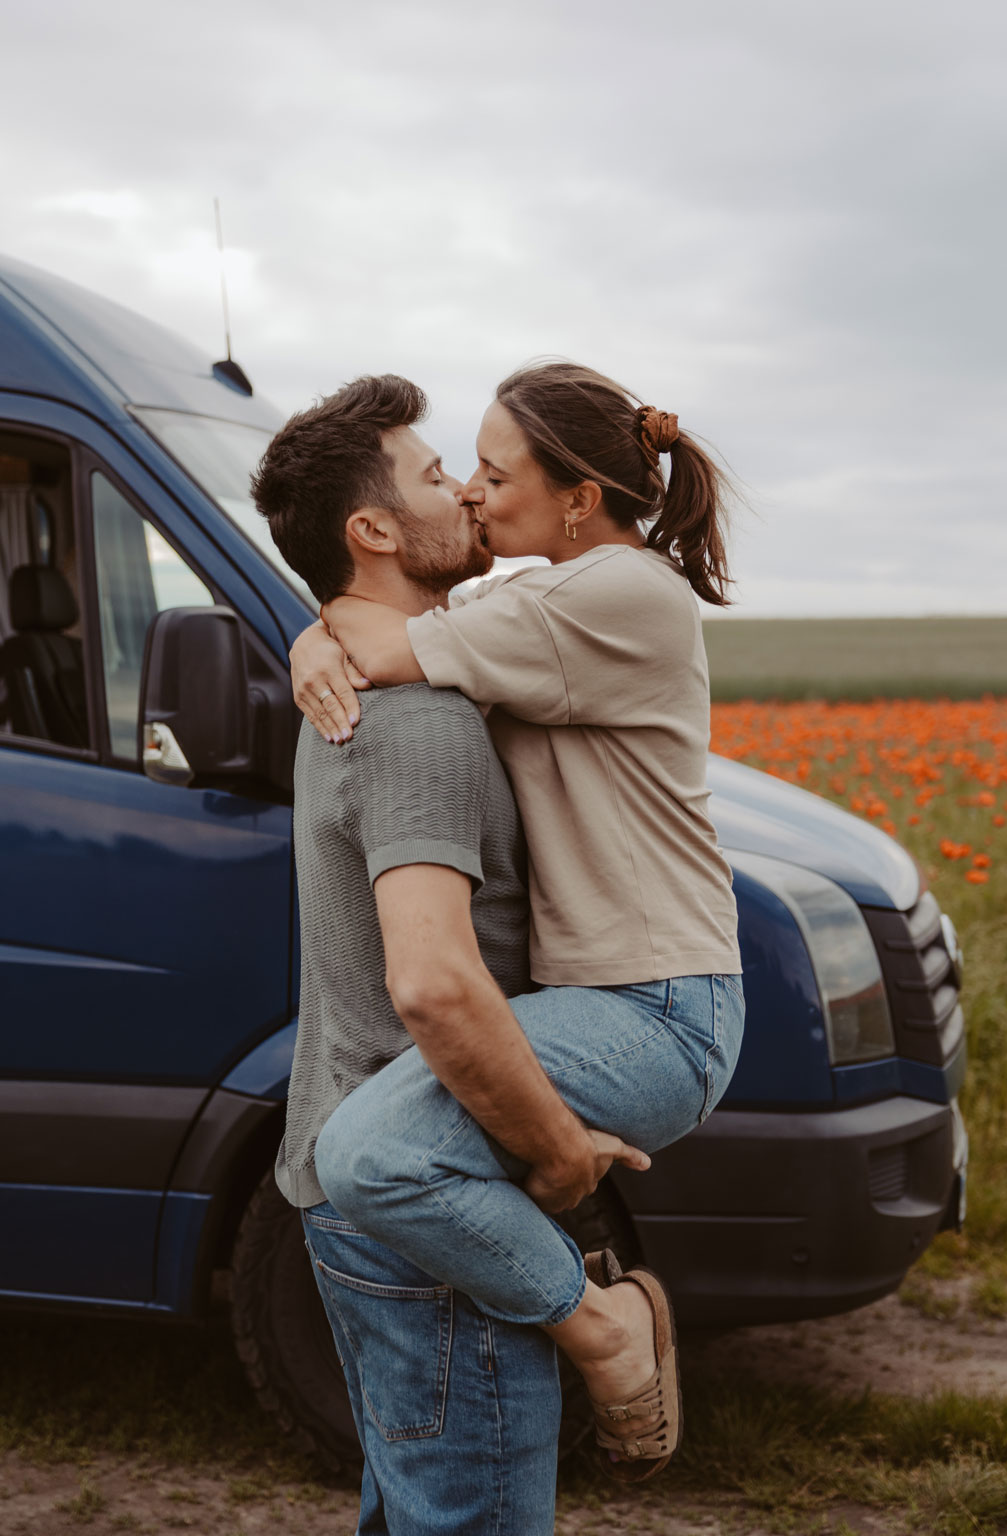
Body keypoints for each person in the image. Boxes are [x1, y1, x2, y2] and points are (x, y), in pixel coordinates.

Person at [290, 361, 745, 1484]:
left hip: (658, 1004)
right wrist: (318, 630)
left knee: (373, 1152)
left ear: (578, 496)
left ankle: (604, 1325)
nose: (477, 495)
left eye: (493, 474)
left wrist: (323, 635)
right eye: (462, 474)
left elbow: (387, 639)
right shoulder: (535, 600)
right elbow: (382, 613)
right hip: (602, 998)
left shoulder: (621, 596)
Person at [253, 373, 651, 1536]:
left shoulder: (374, 670)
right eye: (437, 478)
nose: (468, 498)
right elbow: (431, 981)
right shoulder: (418, 720)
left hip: (355, 1179)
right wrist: (560, 1150)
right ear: (371, 532)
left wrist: (318, 625)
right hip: (418, 1196)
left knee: (415, 1508)